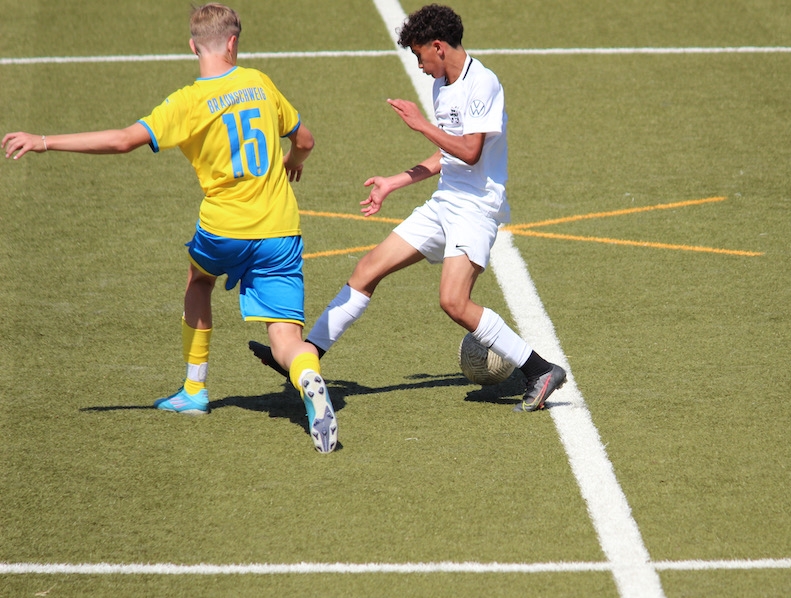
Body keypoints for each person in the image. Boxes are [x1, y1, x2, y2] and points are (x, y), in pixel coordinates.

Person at [2, 3, 337, 454]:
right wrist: (293, 161)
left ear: (193, 47)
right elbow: (305, 140)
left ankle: (194, 390)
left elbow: (123, 140)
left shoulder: (186, 102)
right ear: (233, 42)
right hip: (279, 229)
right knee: (286, 338)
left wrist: (45, 142)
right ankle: (308, 376)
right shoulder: (259, 82)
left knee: (199, 280)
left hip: (223, 229)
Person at [249, 4, 566, 413]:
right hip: (445, 203)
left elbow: (470, 151)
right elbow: (446, 154)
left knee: (454, 301)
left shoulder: (482, 83)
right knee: (367, 269)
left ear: (438, 47)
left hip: (475, 209)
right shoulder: (442, 85)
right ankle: (302, 357)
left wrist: (420, 124)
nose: (419, 65)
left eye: (419, 55)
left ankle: (539, 369)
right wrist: (395, 181)